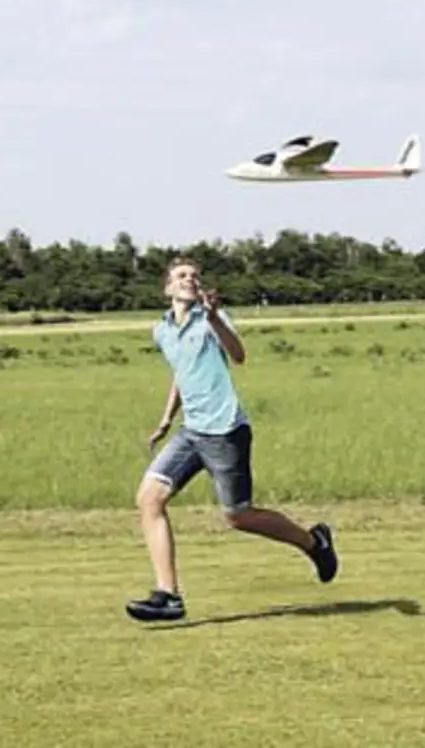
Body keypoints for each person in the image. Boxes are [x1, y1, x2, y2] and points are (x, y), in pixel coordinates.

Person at [126, 256, 338, 622]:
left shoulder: (213, 318)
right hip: (191, 432)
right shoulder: (161, 331)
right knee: (149, 499)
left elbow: (238, 355)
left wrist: (212, 318)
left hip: (225, 431)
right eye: (181, 276)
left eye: (194, 276)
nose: (190, 280)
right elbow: (182, 373)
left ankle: (313, 542)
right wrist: (166, 419)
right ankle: (168, 596)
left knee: (239, 516)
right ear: (167, 288)